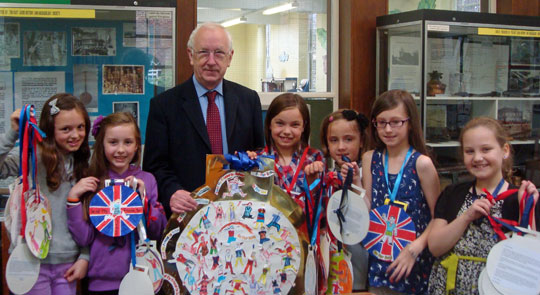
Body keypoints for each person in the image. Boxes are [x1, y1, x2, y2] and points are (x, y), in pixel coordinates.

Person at [143, 22, 264, 217]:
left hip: (239, 213)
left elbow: (259, 153)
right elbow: (154, 166)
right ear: (191, 55)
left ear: (230, 57)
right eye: (203, 53)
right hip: (188, 214)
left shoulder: (248, 100)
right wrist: (172, 192)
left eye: (219, 53)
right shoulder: (164, 105)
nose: (211, 61)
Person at [427, 117, 539, 295]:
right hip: (448, 287)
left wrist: (527, 207)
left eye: (486, 149)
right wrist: (466, 217)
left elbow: (529, 259)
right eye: (469, 151)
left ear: (504, 150)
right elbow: (435, 246)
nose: (478, 158)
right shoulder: (452, 193)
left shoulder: (518, 198)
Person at [66, 112, 167, 294]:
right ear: (102, 145)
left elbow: (157, 231)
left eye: (127, 142)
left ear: (137, 146)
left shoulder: (147, 180)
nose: (121, 150)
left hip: (143, 278)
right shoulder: (92, 181)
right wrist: (73, 200)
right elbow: (83, 238)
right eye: (113, 142)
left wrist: (144, 202)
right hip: (101, 281)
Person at [0, 94, 90, 294]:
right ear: (50, 129)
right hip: (30, 260)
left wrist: (85, 256)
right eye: (65, 129)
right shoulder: (34, 155)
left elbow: (90, 216)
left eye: (80, 127)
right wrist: (12, 134)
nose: (75, 135)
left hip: (67, 262)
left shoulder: (84, 163)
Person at [361, 89, 440, 294]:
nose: (388, 129)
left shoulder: (422, 164)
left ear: (410, 122)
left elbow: (437, 217)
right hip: (378, 259)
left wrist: (414, 250)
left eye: (396, 122)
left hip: (411, 261)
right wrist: (355, 183)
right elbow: (368, 204)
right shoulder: (371, 158)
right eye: (381, 122)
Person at [317, 109, 370, 291]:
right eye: (334, 140)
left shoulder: (367, 174)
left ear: (361, 140)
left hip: (359, 262)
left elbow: (367, 213)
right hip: (330, 259)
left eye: (349, 139)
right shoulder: (324, 175)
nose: (341, 147)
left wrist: (355, 180)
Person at [250, 93, 325, 213]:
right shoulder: (258, 159)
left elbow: (322, 203)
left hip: (305, 229)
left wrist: (313, 180)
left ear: (304, 126)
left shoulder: (314, 157)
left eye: (295, 125)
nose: (286, 131)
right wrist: (245, 167)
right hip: (269, 228)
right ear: (269, 123)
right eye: (280, 123)